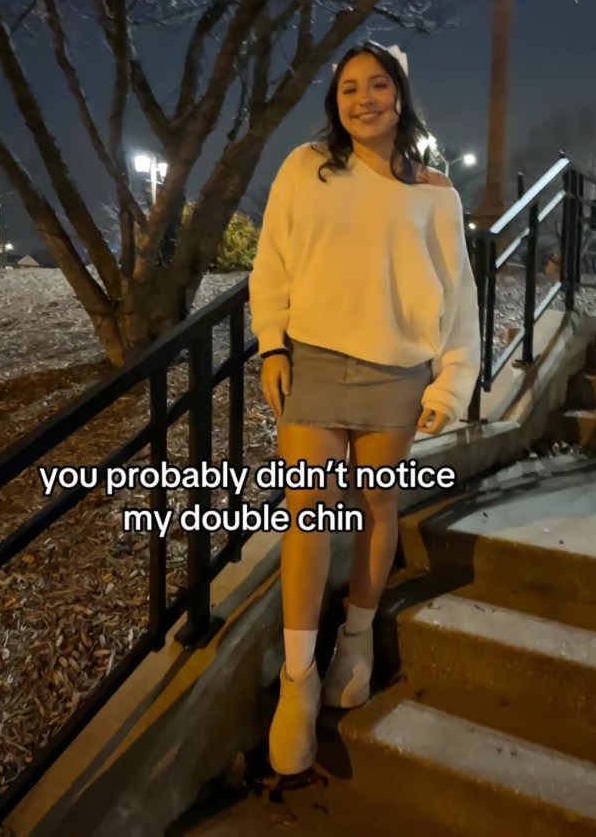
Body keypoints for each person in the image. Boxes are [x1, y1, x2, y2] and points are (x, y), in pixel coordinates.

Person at [248, 40, 480, 776]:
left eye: (378, 85)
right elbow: (272, 263)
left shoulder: (436, 193)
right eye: (349, 88)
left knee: (377, 507)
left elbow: (460, 299)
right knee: (307, 510)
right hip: (313, 359)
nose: (364, 99)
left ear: (401, 97)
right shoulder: (305, 168)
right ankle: (297, 678)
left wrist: (449, 384)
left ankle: (354, 637)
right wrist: (272, 346)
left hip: (397, 372)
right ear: (335, 101)